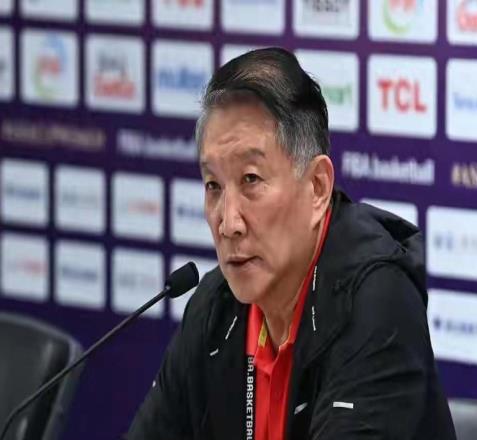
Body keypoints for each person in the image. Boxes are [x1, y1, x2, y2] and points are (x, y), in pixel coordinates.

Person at [128, 47, 456, 440]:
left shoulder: (376, 301)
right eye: (213, 185)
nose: (228, 223)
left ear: (317, 187)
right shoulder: (215, 307)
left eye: (251, 179)